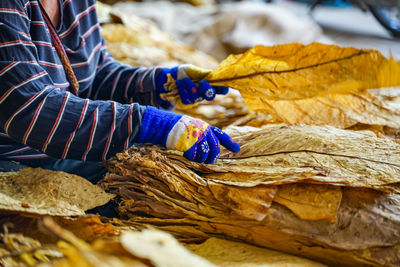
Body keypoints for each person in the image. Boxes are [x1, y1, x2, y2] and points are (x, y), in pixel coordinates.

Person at [0, 0, 240, 184]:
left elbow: (96, 71)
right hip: (13, 161)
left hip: (63, 152)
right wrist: (150, 123)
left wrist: (161, 83)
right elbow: (29, 108)